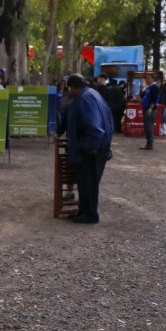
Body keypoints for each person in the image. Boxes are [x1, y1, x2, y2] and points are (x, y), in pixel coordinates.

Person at [63, 74, 113, 224]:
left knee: (89, 184)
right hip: (99, 148)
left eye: (68, 88)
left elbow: (95, 129)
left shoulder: (85, 99)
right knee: (86, 184)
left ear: (72, 87)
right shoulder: (93, 94)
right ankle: (84, 211)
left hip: (92, 151)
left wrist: (88, 147)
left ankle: (90, 215)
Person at [139, 74, 160, 150]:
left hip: (150, 110)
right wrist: (142, 88)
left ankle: (149, 144)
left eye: (148, 78)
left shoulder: (154, 87)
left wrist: (150, 108)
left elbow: (154, 99)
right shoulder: (148, 87)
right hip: (146, 109)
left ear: (152, 79)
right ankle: (149, 143)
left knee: (149, 127)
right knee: (147, 126)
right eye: (146, 79)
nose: (146, 80)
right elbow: (141, 95)